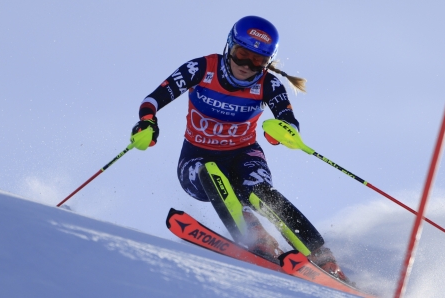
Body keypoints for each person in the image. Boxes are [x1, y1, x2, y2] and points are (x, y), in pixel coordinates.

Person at [131, 15, 348, 282]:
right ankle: (254, 234)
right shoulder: (202, 68)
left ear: (267, 62)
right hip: (196, 156)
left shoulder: (268, 83)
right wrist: (147, 122)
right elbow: (154, 98)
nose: (246, 64)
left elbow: (288, 119)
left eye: (257, 60)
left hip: (244, 154)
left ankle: (322, 257)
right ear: (229, 47)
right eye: (242, 54)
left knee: (259, 192)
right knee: (209, 172)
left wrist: (283, 132)